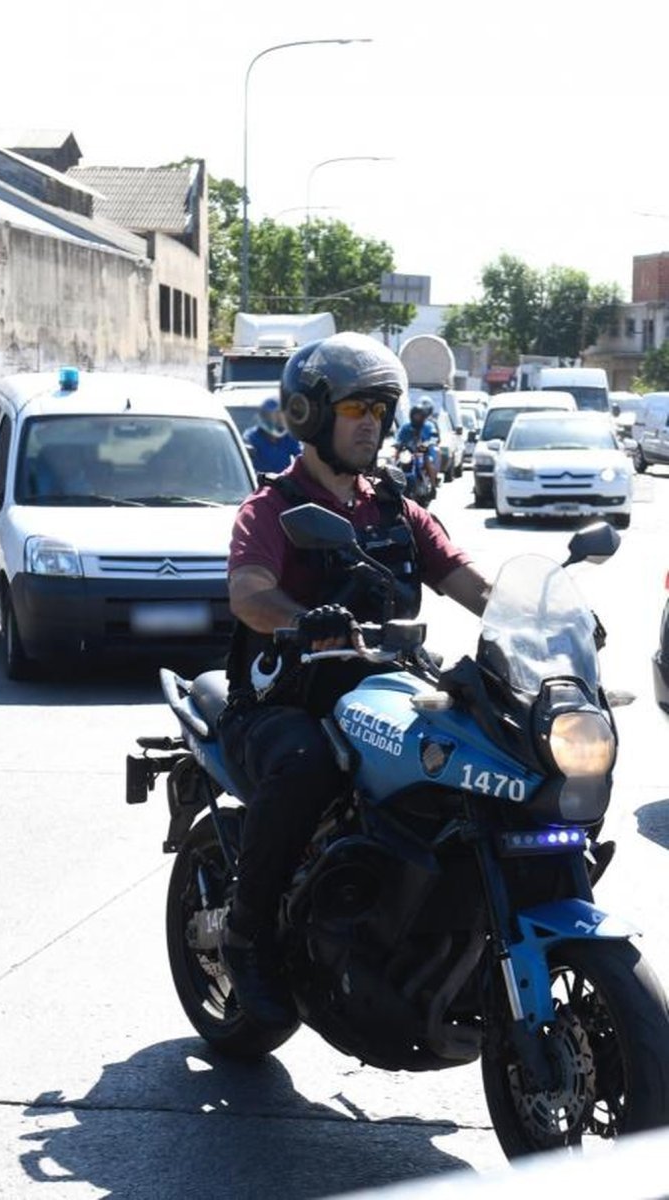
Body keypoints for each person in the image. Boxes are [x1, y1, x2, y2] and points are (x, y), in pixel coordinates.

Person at [217, 333, 492, 1027]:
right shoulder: (272, 508)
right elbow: (249, 593)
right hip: (284, 701)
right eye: (354, 406)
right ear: (310, 415)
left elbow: (467, 579)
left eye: (380, 406)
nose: (372, 420)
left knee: (479, 756)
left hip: (382, 694)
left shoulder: (395, 510)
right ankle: (246, 934)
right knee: (307, 765)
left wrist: (539, 614)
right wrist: (305, 620)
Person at [242, 396, 301, 474]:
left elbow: (301, 456)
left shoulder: (288, 436)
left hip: (284, 482)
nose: (278, 420)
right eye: (273, 416)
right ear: (264, 416)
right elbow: (245, 462)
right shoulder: (251, 437)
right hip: (260, 482)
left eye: (280, 416)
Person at [394, 396, 440, 491]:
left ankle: (433, 485)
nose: (417, 417)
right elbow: (399, 438)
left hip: (423, 452)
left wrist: (428, 443)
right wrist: (397, 445)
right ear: (412, 415)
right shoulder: (406, 427)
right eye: (416, 415)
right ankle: (393, 479)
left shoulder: (428, 426)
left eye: (419, 415)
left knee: (428, 461)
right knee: (396, 459)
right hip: (408, 452)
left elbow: (434, 437)